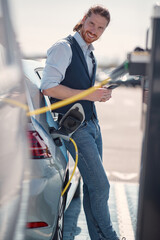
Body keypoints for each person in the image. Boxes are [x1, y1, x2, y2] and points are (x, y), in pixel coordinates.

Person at [41, 5, 120, 240]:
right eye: (92, 23)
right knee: (101, 187)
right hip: (75, 129)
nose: (94, 30)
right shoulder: (63, 48)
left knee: (93, 187)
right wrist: (88, 95)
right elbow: (48, 87)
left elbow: (80, 87)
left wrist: (98, 93)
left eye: (100, 28)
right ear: (83, 19)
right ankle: (108, 236)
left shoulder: (89, 51)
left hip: (92, 125)